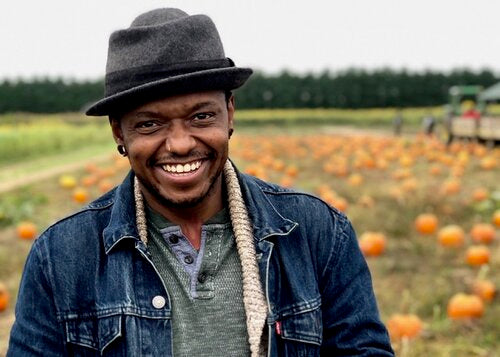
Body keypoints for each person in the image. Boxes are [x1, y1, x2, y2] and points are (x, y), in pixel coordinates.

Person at [8, 8, 394, 356]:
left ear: (229, 113)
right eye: (149, 124)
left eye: (201, 117)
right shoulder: (60, 257)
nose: (179, 144)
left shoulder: (318, 233)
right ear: (119, 133)